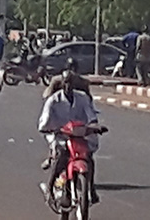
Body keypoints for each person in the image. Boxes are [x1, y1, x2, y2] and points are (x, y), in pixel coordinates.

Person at [38, 71, 102, 205]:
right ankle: (50, 187)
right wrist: (48, 127)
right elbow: (44, 121)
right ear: (62, 83)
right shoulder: (53, 100)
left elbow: (91, 115)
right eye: (66, 83)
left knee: (88, 158)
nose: (68, 86)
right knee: (62, 155)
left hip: (78, 134)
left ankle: (91, 188)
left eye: (71, 83)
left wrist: (95, 126)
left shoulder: (83, 98)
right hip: (59, 134)